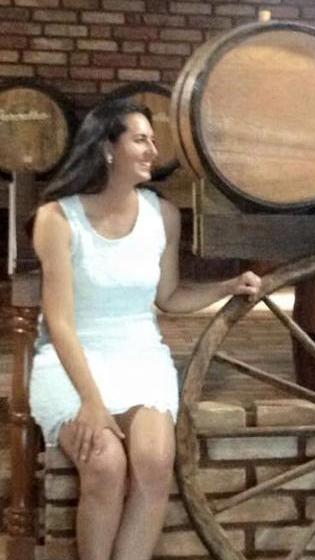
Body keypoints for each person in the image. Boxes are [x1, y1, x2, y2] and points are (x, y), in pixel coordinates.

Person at [28, 98, 262, 560]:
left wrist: (228, 286)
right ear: (107, 148)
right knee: (105, 465)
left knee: (155, 464)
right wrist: (92, 402)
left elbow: (168, 297)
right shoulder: (57, 219)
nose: (154, 150)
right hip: (72, 358)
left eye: (153, 140)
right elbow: (60, 321)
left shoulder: (163, 215)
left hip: (140, 356)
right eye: (140, 140)